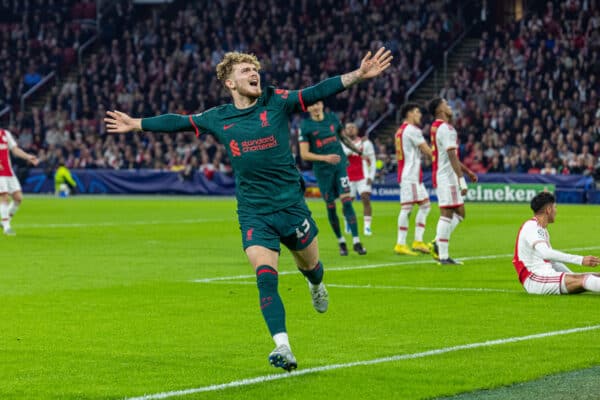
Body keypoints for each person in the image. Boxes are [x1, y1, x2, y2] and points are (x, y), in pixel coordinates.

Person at [104, 48, 392, 371]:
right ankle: (283, 346)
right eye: (245, 70)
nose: (254, 74)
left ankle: (316, 284)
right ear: (230, 82)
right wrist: (136, 124)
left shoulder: (276, 101)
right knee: (265, 277)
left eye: (255, 69)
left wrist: (357, 74)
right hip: (255, 212)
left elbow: (316, 91)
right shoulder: (219, 117)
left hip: (291, 207)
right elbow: (178, 122)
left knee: (311, 266)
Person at [298, 101, 367, 256]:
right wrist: (325, 158)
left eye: (317, 104)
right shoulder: (306, 126)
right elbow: (304, 154)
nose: (315, 107)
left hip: (340, 166)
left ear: (322, 104)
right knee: (330, 206)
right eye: (311, 105)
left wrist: (357, 150)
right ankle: (341, 241)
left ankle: (356, 241)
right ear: (307, 108)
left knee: (347, 201)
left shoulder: (332, 118)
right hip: (323, 171)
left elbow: (343, 138)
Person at [513, 191, 600, 294]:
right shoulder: (532, 227)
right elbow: (546, 253)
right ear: (548, 210)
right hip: (535, 279)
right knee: (584, 279)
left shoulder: (541, 229)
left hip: (544, 276)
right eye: (555, 207)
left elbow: (552, 261)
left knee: (593, 275)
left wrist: (573, 275)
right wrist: (580, 260)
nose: (556, 211)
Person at [427, 98, 477, 265]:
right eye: (446, 103)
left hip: (442, 175)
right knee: (448, 213)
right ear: (440, 109)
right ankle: (442, 254)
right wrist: (461, 180)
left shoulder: (436, 127)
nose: (449, 106)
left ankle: (438, 245)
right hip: (447, 178)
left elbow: (451, 156)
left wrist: (467, 171)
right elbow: (451, 156)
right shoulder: (446, 128)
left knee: (459, 213)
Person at [393, 103, 433, 256]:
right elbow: (426, 150)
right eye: (417, 112)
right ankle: (401, 243)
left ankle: (417, 241)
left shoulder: (401, 130)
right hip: (411, 175)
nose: (420, 115)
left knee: (425, 206)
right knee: (407, 208)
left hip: (410, 174)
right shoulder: (412, 130)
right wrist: (443, 159)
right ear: (409, 114)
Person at [0, 128, 39, 235]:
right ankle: (7, 227)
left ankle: (4, 221)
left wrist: (28, 157)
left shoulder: (5, 133)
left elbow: (15, 149)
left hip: (8, 171)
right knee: (4, 197)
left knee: (18, 198)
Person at [342, 122, 376, 236]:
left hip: (363, 176)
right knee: (347, 202)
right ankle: (347, 222)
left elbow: (373, 160)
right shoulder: (342, 143)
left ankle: (367, 227)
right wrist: (357, 147)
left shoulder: (367, 144)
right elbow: (344, 154)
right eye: (348, 128)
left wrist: (371, 176)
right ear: (345, 131)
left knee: (365, 197)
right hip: (348, 176)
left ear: (357, 130)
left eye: (353, 127)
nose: (350, 129)